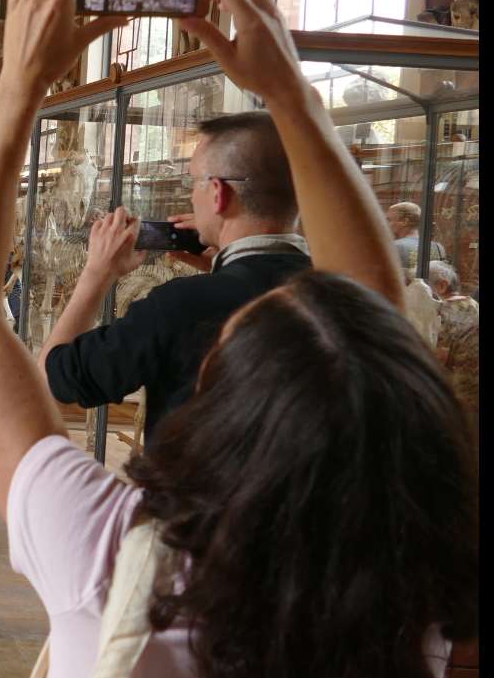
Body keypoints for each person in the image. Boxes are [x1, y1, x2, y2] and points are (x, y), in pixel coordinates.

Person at [0, 0, 476, 678]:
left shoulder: (112, 555)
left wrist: (17, 90)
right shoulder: (412, 584)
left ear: (228, 408)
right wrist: (288, 92)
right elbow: (373, 331)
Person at [38, 110, 311, 445]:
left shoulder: (182, 306)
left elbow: (55, 380)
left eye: (193, 182)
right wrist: (224, 274)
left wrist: (96, 273)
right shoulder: (342, 291)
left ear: (218, 193)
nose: (190, 196)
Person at [388, 201, 445, 273]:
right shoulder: (438, 247)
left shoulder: (394, 247)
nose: (387, 224)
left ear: (404, 221)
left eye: (389, 220)